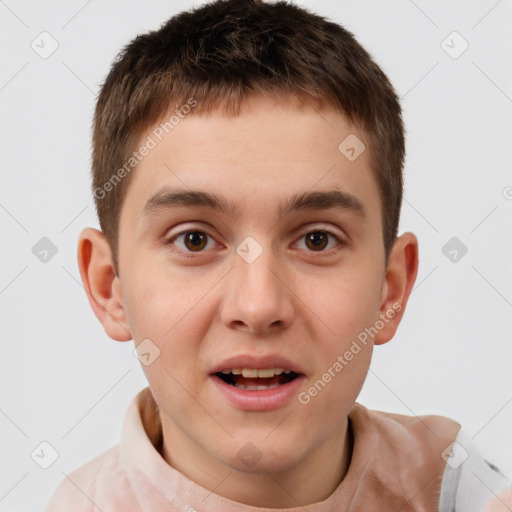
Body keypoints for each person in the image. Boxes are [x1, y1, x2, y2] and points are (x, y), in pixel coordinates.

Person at [44, 0, 511, 510]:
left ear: (390, 289)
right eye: (194, 240)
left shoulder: (462, 489)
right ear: (109, 285)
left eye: (317, 239)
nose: (259, 305)